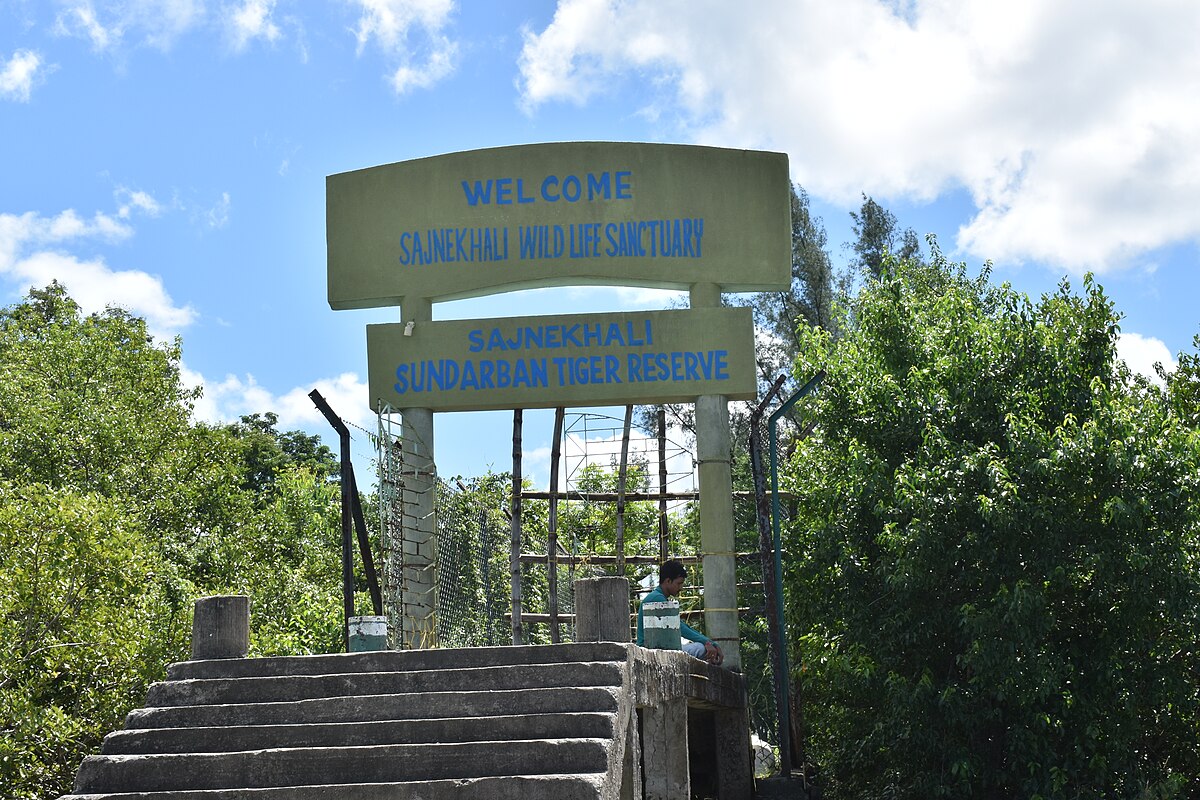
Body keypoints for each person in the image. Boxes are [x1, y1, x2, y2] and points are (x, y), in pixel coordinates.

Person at [636, 560, 723, 665]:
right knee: (701, 649)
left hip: (657, 651)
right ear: (668, 581)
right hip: (650, 653)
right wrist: (707, 643)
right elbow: (680, 628)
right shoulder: (657, 599)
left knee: (700, 647)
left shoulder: (659, 597)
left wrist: (709, 642)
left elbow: (681, 625)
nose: (681, 588)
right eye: (679, 583)